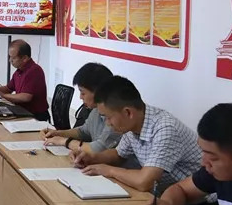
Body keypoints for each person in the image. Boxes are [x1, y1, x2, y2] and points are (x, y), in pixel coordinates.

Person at [73, 75, 202, 192]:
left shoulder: (165, 129)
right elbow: (118, 154)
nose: (107, 123)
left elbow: (145, 182)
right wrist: (92, 158)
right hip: (167, 194)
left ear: (128, 112)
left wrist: (109, 170)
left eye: (108, 117)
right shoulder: (134, 124)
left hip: (197, 203)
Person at [41, 63, 121, 154]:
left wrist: (65, 142)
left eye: (83, 93)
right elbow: (83, 132)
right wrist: (57, 133)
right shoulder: (95, 110)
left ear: (99, 92)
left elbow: (99, 149)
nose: (80, 97)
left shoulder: (116, 117)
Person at [0, 39, 49, 122]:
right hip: (22, 111)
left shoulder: (34, 71)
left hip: (34, 116)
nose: (10, 60)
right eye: (9, 57)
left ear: (24, 58)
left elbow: (25, 97)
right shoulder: (19, 70)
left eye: (13, 58)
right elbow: (8, 88)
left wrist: (3, 95)